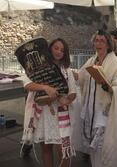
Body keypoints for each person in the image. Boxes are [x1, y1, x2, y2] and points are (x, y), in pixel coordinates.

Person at [77, 29, 117, 167]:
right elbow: (80, 77)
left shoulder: (115, 63)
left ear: (108, 44)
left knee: (103, 148)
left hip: (104, 113)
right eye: (96, 40)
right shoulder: (91, 60)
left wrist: (111, 88)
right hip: (91, 110)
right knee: (93, 149)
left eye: (102, 40)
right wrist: (65, 72)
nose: (98, 43)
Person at [21, 38, 76, 167]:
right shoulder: (38, 68)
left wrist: (66, 100)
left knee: (63, 151)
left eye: (62, 50)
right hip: (43, 114)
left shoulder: (67, 71)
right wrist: (45, 88)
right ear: (49, 48)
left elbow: (73, 92)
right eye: (56, 48)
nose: (58, 52)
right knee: (46, 149)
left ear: (65, 54)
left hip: (60, 115)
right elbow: (27, 84)